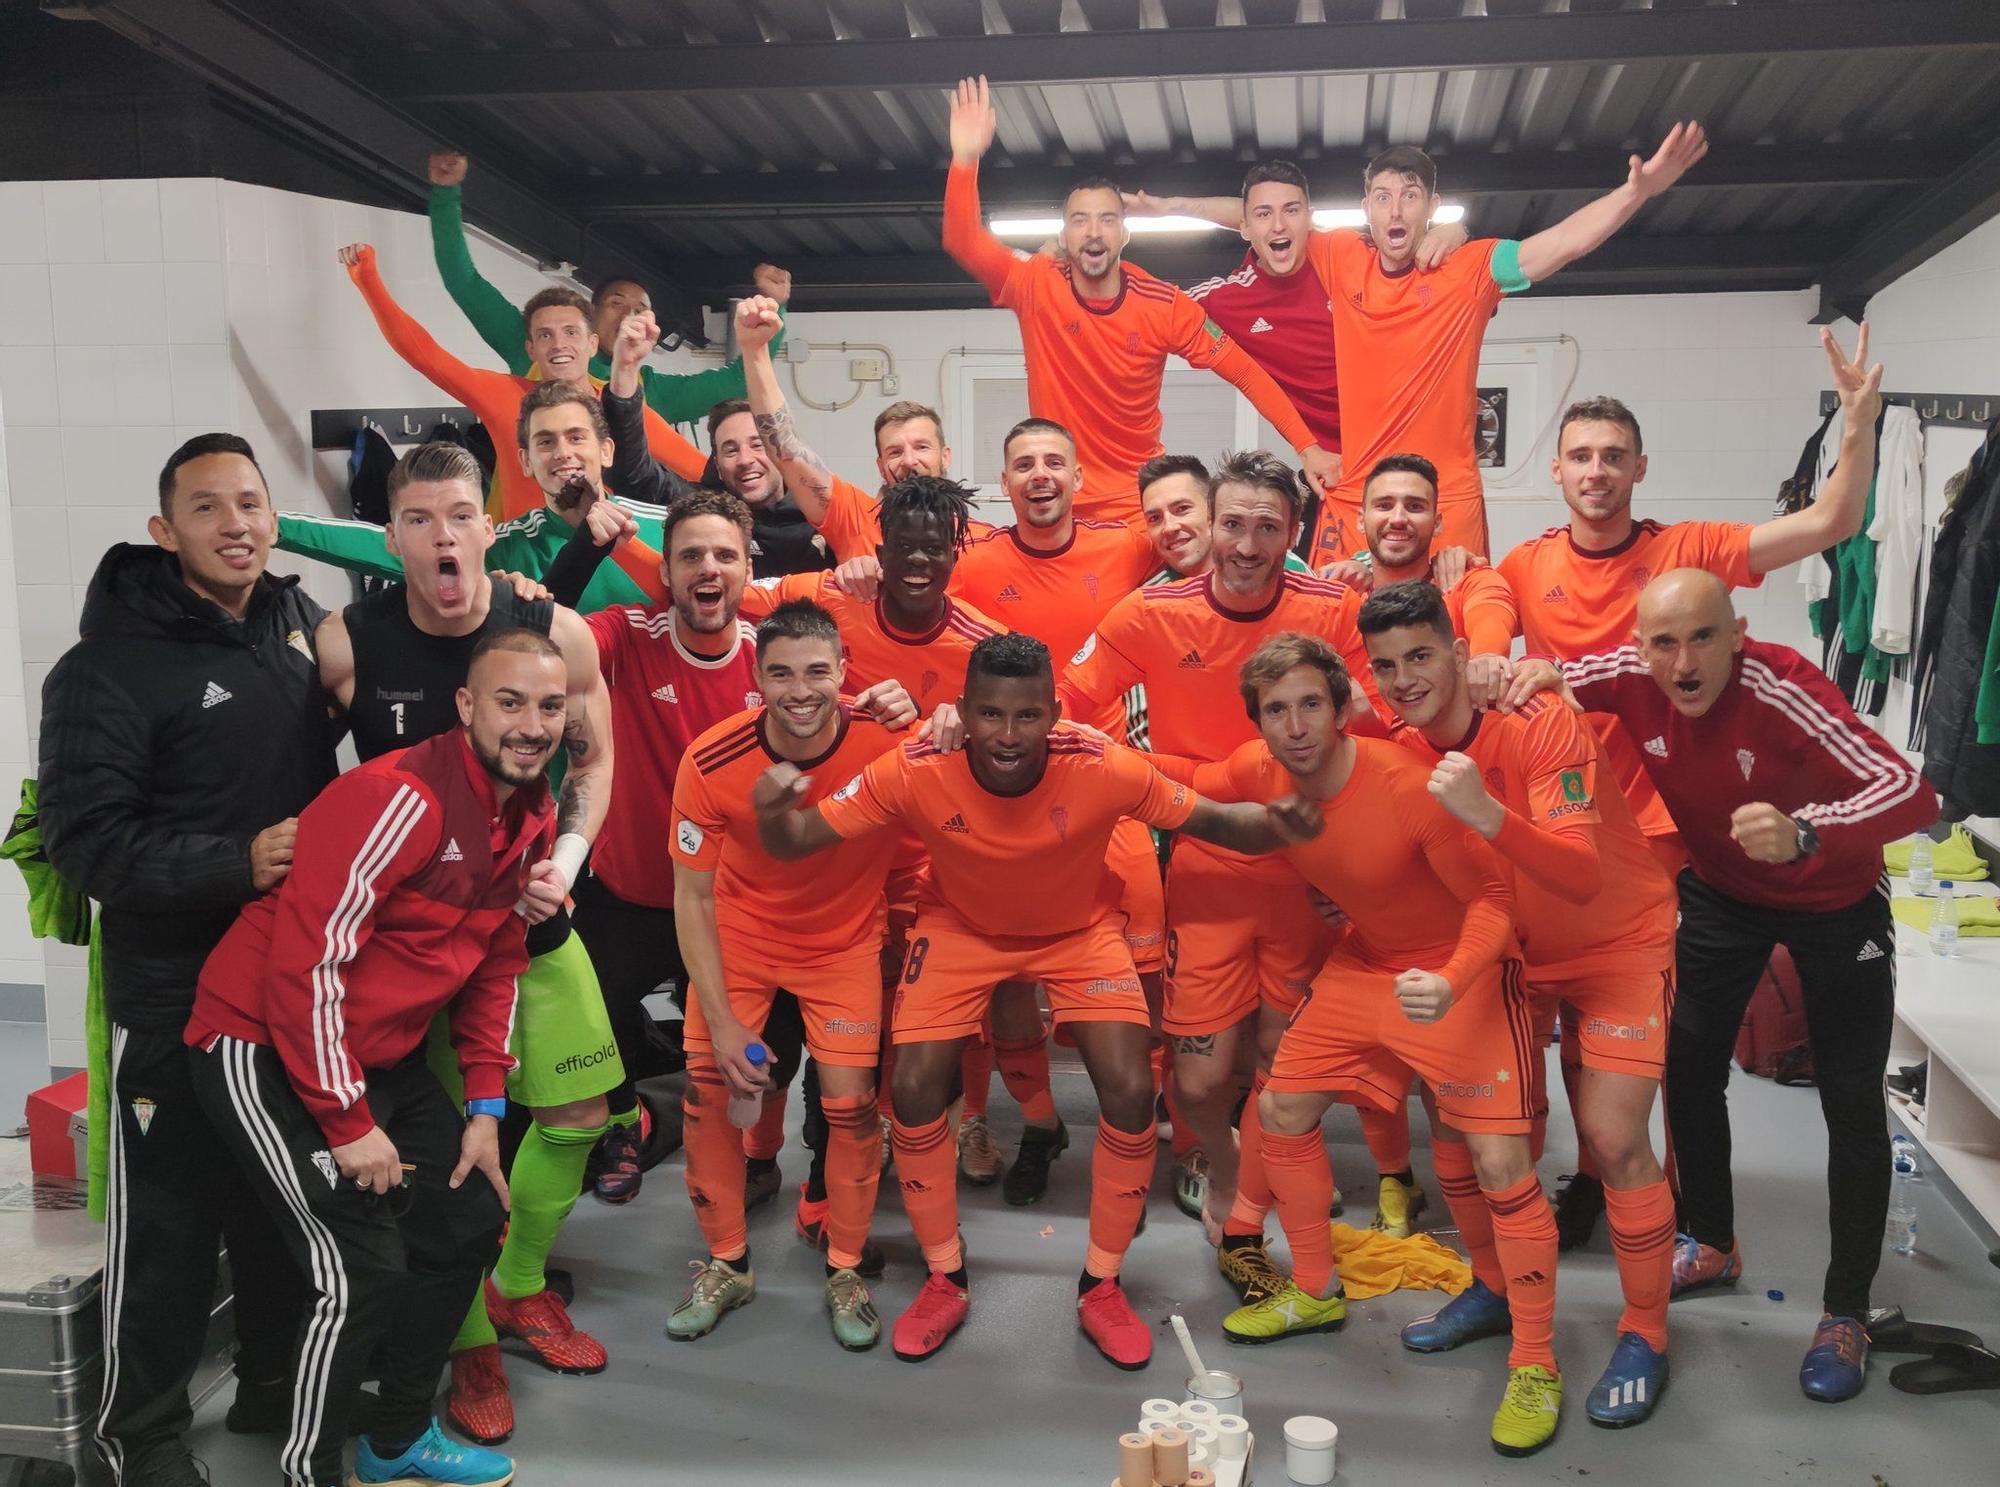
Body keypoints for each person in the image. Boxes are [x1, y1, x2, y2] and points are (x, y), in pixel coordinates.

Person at [754, 632, 1322, 1369]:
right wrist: (771, 807)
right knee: (917, 1086)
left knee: (1126, 1088)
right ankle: (946, 1275)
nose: (1009, 736)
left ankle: (1102, 1283)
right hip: (959, 926)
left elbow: (1216, 820)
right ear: (963, 710)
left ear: (1055, 712)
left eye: (1028, 716)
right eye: (990, 715)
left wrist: (1300, 818)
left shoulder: (1102, 765)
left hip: (1078, 929)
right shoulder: (915, 768)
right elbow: (797, 839)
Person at [1493, 327, 1882, 1243]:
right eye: (1582, 456)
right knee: (1561, 1021)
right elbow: (1461, 636)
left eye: (1614, 457)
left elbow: (1828, 524)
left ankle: (1648, 1191)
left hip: (1668, 833)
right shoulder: (1524, 565)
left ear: (1639, 469)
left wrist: (1858, 426)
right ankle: (1594, 1177)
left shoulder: (1692, 548)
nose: (1597, 471)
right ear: (1557, 472)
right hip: (1562, 824)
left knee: (1647, 1033)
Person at [1531, 570, 1938, 1404]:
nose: (1683, 662)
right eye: (1664, 642)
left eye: (1704, 637)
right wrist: (1508, 674)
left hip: (1834, 899)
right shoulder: (1628, 674)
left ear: (1739, 632)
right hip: (1723, 896)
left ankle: (1847, 1309)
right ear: (1639, 646)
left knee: (1851, 1102)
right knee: (1687, 1066)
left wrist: (1808, 831)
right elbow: (1543, 672)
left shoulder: (1784, 687)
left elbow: (1914, 790)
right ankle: (1711, 1240)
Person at [1163, 633, 1562, 1458]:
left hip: (1466, 972)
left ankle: (1535, 1358)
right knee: (1280, 1104)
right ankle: (1314, 1288)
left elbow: (1496, 895)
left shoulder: (1409, 786)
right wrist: (1070, 739)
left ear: (1343, 708)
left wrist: (1452, 979)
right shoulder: (1255, 770)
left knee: (1498, 1166)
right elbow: (1170, 774)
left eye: (1312, 703)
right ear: (1259, 723)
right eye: (1277, 709)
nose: (1297, 724)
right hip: (1366, 964)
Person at [186, 629, 565, 1487]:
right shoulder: (402, 798)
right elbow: (306, 963)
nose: (531, 723)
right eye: (509, 702)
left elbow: (497, 958)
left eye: (548, 705)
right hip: (258, 1042)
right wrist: (349, 1122)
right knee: (357, 1268)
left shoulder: (532, 810)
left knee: (466, 1221)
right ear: (468, 707)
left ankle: (394, 1439)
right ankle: (308, 1469)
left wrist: (484, 1106)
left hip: (371, 1056)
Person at [39, 434, 334, 1487]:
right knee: (168, 1230)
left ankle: (267, 1383)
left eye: (251, 503)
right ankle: (144, 1437)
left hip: (283, 990)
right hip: (170, 997)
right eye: (207, 508)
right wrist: (236, 862)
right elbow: (88, 845)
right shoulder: (105, 667)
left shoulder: (296, 628)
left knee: (273, 1203)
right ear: (165, 532)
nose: (236, 524)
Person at [312, 442, 619, 1445]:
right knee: (446, 1162)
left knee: (578, 1110)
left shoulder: (552, 627)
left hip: (527, 915)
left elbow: (596, 755)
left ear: (491, 522)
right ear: (390, 535)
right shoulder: (345, 643)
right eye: (418, 518)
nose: (442, 534)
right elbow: (310, 786)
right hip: (410, 946)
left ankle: (520, 1282)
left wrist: (565, 858)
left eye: (459, 513)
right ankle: (471, 1350)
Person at [1361, 581, 1679, 1428]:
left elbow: (1578, 872)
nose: (1404, 679)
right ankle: (1496, 1287)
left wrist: (1486, 812)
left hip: (1616, 940)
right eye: (1387, 665)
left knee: (1612, 1139)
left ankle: (1646, 1329)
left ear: (1462, 655)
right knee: (1469, 1130)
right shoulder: (1393, 735)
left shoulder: (1541, 718)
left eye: (1422, 656)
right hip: (1509, 951)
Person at [1059, 451, 1371, 1303]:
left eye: (1268, 525)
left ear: (1293, 533)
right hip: (1204, 869)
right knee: (1197, 1080)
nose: (1245, 543)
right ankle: (1227, 1166)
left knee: (1284, 1061)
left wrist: (1359, 857)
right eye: (1232, 522)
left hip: (1309, 871)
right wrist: (1162, 777)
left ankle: (1262, 1190)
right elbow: (1067, 709)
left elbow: (1378, 732)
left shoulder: (1333, 609)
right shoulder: (1150, 612)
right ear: (1207, 520)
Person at [1160, 130, 1709, 563]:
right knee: (1330, 645)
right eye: (1382, 198)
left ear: (1432, 206)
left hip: (1449, 501)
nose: (1395, 211)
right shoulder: (1339, 255)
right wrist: (1172, 207)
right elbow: (1263, 215)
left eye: (1410, 197)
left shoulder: (1471, 269)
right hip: (1357, 496)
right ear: (1365, 209)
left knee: (1450, 643)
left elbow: (1561, 244)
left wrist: (1635, 192)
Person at [668, 601, 916, 1351]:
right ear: (757, 677)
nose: (800, 689)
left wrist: (937, 715)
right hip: (740, 939)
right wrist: (719, 1018)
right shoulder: (711, 759)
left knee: (849, 1106)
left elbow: (970, 749)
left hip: (843, 944)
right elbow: (692, 895)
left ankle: (844, 1267)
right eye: (781, 672)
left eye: (817, 671)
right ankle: (728, 1263)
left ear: (844, 671)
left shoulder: (886, 738)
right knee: (712, 1090)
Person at [943, 76, 1337, 525]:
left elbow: (1246, 372)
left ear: (1125, 235)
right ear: (1064, 236)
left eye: (1108, 219)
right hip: (1060, 504)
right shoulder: (1036, 283)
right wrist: (965, 157)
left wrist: (1308, 449)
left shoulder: (1163, 304)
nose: (1094, 231)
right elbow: (963, 240)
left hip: (1138, 508)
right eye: (1081, 221)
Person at [946, 417, 1163, 1204]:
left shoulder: (1127, 546)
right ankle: (1039, 1124)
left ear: (1079, 477)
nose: (1040, 475)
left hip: (1106, 796)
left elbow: (1215, 542)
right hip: (1001, 799)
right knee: (1006, 975)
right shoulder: (970, 562)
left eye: (1053, 462)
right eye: (1023, 464)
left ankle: (1161, 1130)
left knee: (1146, 973)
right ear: (1003, 483)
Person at [335, 241, 707, 518]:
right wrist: (368, 281)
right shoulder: (505, 396)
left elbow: (703, 471)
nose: (559, 345)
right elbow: (424, 355)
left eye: (570, 333)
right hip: (519, 569)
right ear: (531, 348)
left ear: (593, 343)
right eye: (545, 335)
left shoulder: (621, 408)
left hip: (604, 562)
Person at [425, 149, 790, 427]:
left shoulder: (654, 393)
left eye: (641, 308)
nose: (630, 313)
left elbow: (740, 379)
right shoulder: (536, 352)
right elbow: (464, 282)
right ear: (590, 318)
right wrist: (445, 196)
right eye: (617, 302)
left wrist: (776, 307)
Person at [280, 375, 695, 615]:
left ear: (606, 451)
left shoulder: (669, 528)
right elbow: (386, 547)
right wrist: (273, 526)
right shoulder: (505, 547)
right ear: (527, 461)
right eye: (546, 442)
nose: (563, 452)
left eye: (576, 437)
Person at [1145, 160, 1465, 466]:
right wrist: (1171, 208)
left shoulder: (1345, 257)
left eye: (1292, 211)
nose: (1279, 225)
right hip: (1339, 466)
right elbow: (1146, 308)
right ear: (1244, 226)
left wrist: (1456, 231)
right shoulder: (1228, 299)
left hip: (1418, 449)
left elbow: (1446, 265)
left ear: (1308, 219)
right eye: (1263, 214)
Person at [733, 294, 991, 562]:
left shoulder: (980, 540)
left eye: (922, 447)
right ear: (880, 466)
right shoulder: (853, 517)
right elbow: (786, 451)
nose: (909, 460)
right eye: (894, 452)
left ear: (945, 455)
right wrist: (755, 351)